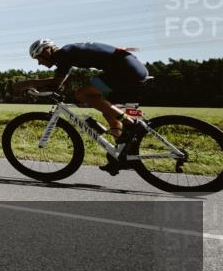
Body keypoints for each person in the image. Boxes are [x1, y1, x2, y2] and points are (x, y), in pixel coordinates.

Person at [13, 40, 149, 172]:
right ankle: (121, 153)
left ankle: (128, 122)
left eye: (39, 58)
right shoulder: (66, 54)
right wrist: (38, 87)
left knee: (82, 94)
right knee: (108, 108)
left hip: (123, 68)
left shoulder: (63, 54)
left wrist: (27, 83)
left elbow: (55, 82)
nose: (39, 63)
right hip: (128, 67)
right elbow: (58, 84)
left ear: (46, 51)